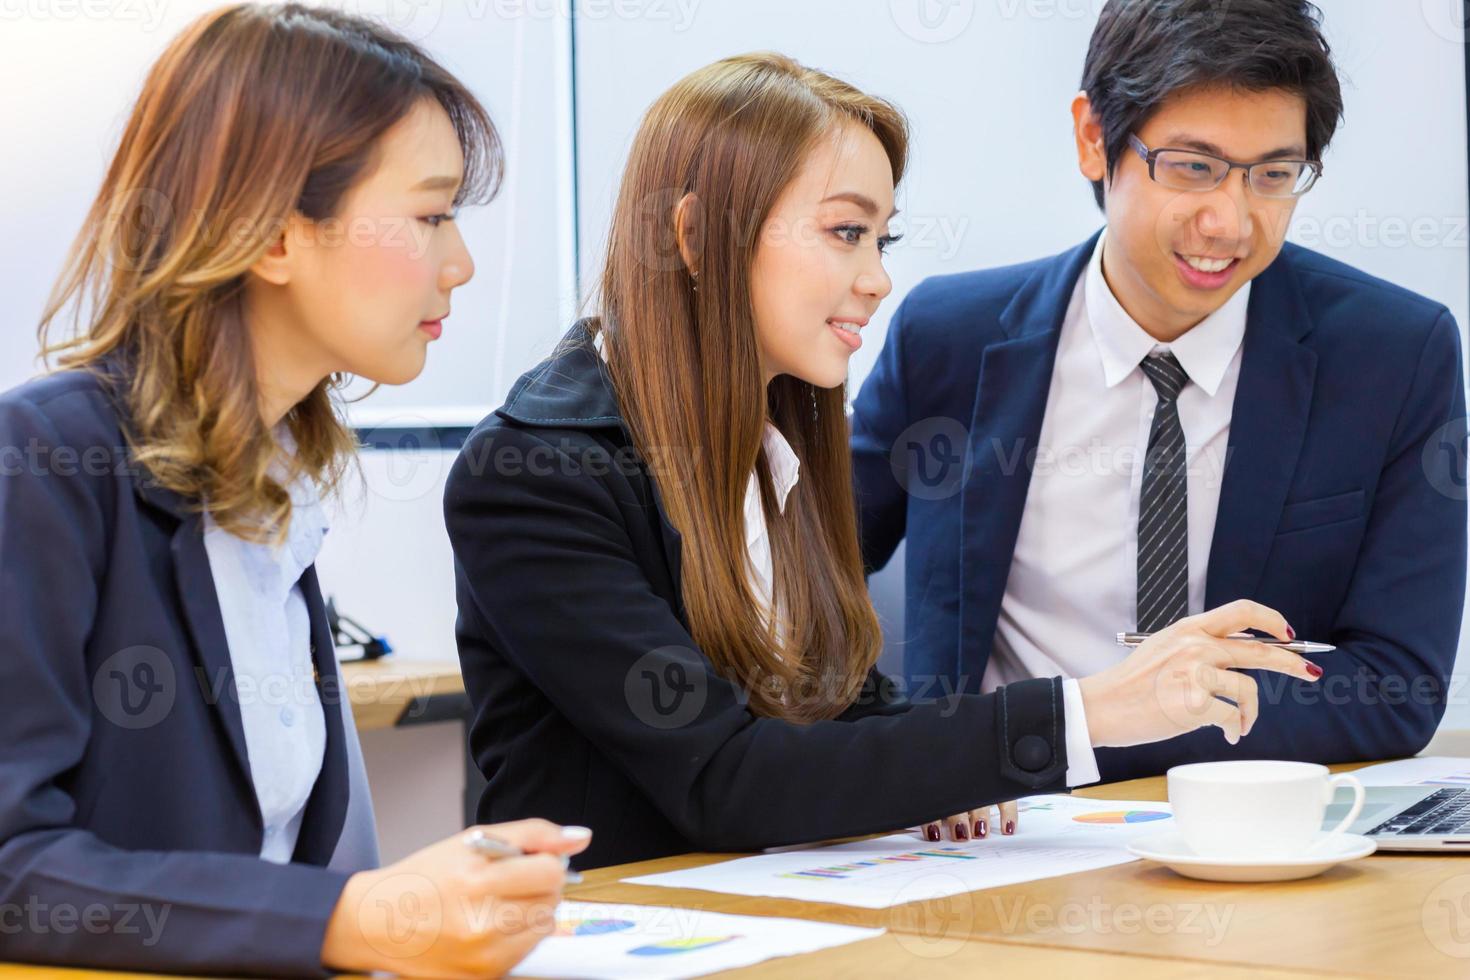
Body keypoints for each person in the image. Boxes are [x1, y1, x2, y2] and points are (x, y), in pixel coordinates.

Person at [444, 52, 1321, 870]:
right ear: (699, 235)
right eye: (844, 233)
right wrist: (1086, 711)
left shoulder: (776, 444)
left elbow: (844, 712)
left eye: (881, 240)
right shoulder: (537, 476)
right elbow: (725, 778)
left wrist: (951, 772)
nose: (876, 279)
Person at [0, 6, 587, 976]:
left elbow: (267, 863)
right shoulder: (47, 460)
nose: (462, 264)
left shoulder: (275, 486)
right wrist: (349, 914)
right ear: (274, 234)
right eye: (432, 214)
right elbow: (13, 866)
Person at [852, 0, 1466, 783]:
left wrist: (1144, 719)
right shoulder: (949, 337)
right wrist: (903, 743)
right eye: (1192, 167)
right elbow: (802, 572)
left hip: (1245, 824)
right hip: (996, 815)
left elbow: (1394, 686)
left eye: (1274, 175)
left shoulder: (1392, 354)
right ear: (1092, 138)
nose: (1230, 222)